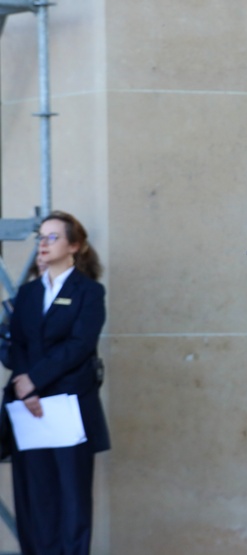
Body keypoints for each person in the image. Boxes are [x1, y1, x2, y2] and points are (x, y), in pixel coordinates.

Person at [4, 211, 109, 555]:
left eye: (52, 237)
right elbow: (16, 343)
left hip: (68, 405)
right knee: (35, 497)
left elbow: (79, 346)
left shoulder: (89, 292)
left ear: (74, 246)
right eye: (41, 237)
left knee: (72, 496)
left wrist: (34, 381)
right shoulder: (29, 293)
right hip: (28, 407)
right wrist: (24, 385)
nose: (43, 244)